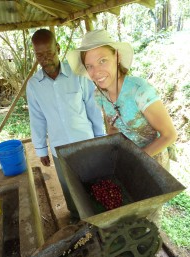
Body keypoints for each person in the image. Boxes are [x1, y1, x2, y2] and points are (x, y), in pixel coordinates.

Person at [67, 29, 178, 170]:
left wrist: (137, 160)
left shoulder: (139, 91)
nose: (96, 72)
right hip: (128, 161)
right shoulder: (100, 96)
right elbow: (112, 129)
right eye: (89, 66)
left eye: (102, 61)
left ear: (117, 57)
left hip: (155, 164)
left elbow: (169, 135)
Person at [26, 29, 104, 221]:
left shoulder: (79, 75)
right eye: (39, 55)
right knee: (68, 186)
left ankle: (97, 215)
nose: (45, 59)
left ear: (58, 48)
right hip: (59, 148)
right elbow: (37, 118)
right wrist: (41, 150)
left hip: (85, 142)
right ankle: (77, 218)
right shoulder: (34, 85)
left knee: (92, 181)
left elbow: (92, 108)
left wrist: (100, 139)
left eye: (49, 52)